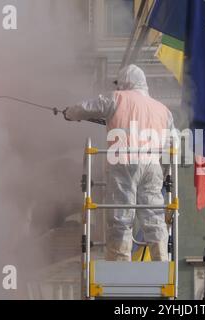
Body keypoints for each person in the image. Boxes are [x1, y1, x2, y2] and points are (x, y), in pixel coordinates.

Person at [64, 64, 174, 262]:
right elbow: (170, 145)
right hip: (152, 165)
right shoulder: (163, 110)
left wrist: (69, 113)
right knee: (153, 215)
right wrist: (163, 172)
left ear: (124, 82)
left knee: (121, 215)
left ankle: (120, 261)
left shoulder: (117, 98)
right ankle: (162, 260)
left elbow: (88, 108)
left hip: (124, 161)